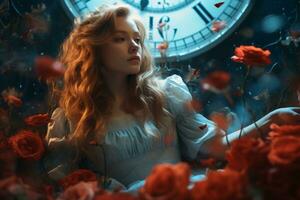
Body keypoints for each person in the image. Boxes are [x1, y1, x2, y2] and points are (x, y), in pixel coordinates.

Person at [44, 4, 300, 192]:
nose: (134, 46)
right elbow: (64, 183)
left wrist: (271, 119)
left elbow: (212, 147)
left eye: (137, 39)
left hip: (187, 190)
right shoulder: (72, 117)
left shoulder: (166, 94)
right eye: (120, 39)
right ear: (94, 49)